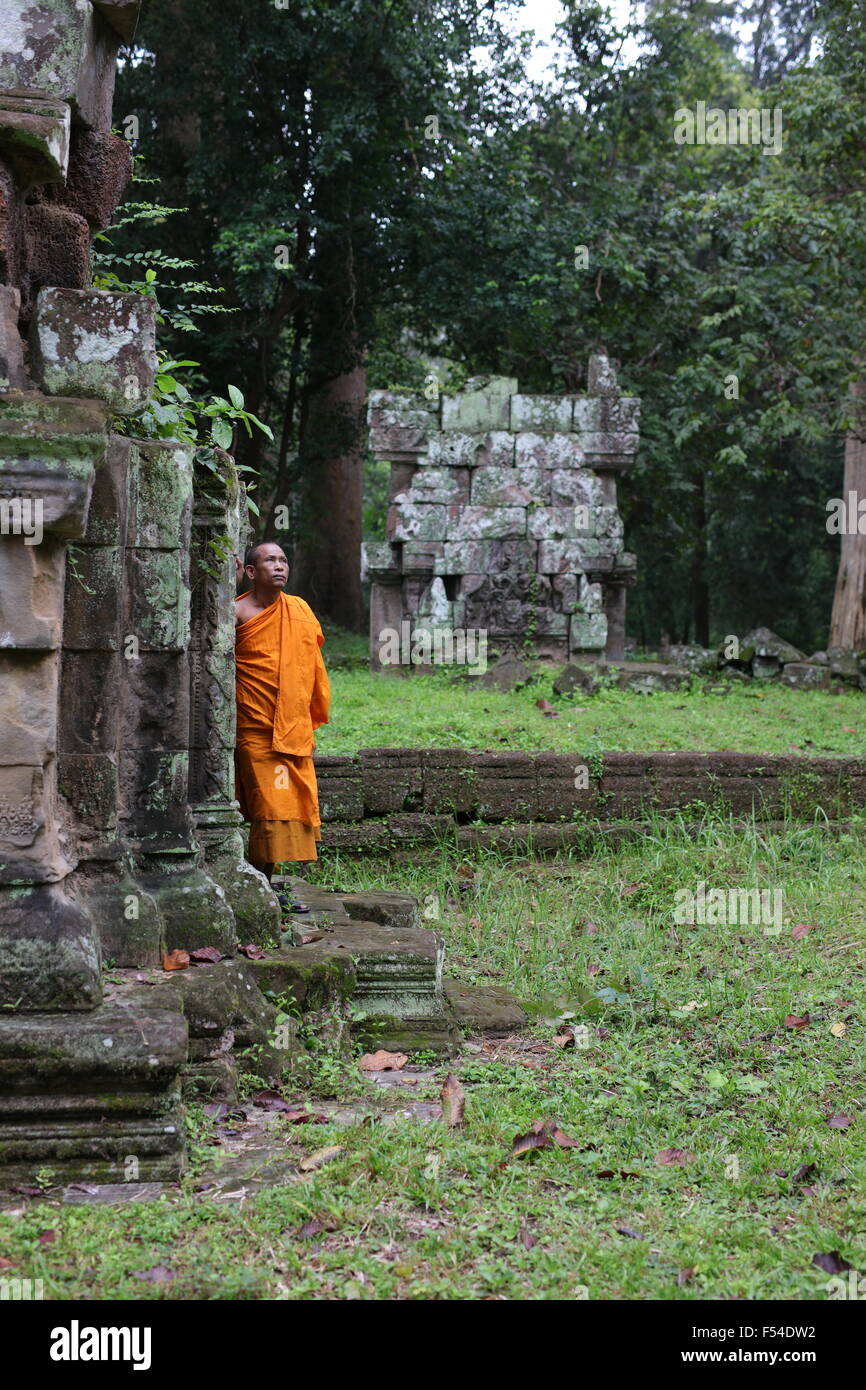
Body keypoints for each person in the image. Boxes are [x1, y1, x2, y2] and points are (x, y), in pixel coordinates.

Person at [233, 541, 330, 887]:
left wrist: (305, 727)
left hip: (292, 729)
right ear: (249, 571)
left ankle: (267, 887)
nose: (279, 566)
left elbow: (309, 674)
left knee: (286, 810)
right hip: (255, 728)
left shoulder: (299, 610)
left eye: (283, 560)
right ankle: (260, 888)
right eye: (270, 560)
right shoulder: (237, 614)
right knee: (269, 812)